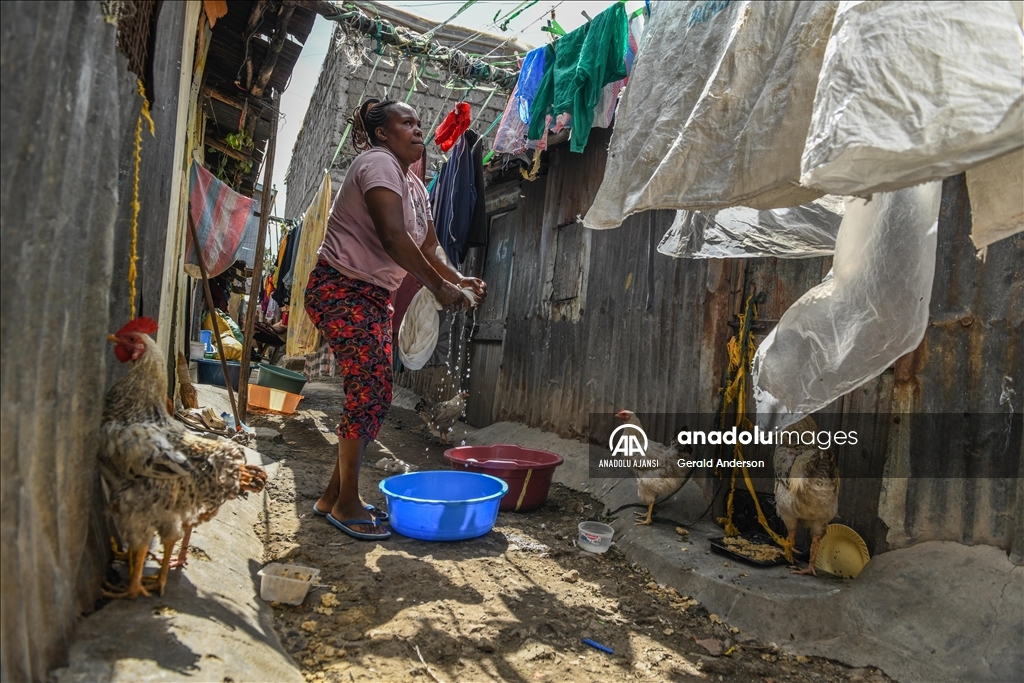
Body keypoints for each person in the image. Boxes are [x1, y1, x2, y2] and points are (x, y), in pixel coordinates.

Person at [304, 98, 487, 540]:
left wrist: (458, 278)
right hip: (341, 287)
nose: (418, 129)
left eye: (419, 123)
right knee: (368, 390)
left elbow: (428, 247)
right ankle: (346, 503)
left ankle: (333, 496)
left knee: (374, 392)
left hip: (371, 296)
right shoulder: (378, 163)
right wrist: (437, 287)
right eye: (406, 122)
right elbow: (392, 237)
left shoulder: (415, 186)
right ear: (382, 133)